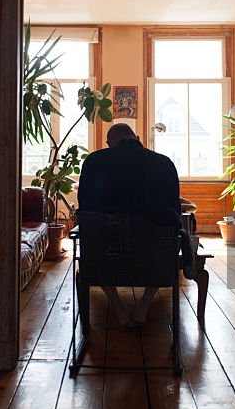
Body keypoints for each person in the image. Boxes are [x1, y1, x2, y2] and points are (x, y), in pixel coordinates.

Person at [76, 123, 186, 326]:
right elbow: (175, 210)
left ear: (111, 143)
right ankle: (143, 305)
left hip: (106, 256)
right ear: (135, 137)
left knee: (94, 236)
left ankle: (118, 305)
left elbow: (85, 207)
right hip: (154, 258)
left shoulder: (94, 162)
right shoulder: (164, 163)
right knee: (167, 232)